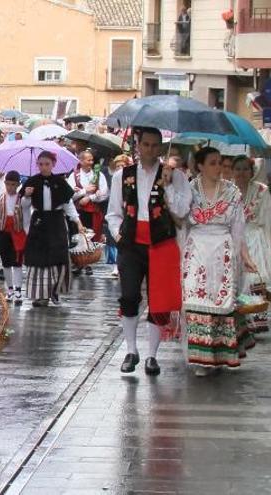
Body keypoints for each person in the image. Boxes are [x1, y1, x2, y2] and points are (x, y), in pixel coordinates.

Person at [106, 127, 191, 376]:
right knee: (129, 296)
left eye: (155, 146)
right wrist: (118, 233)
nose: (150, 150)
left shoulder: (175, 176)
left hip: (162, 243)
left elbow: (183, 210)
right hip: (131, 243)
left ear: (162, 148)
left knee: (160, 302)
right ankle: (131, 350)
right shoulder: (122, 175)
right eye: (146, 145)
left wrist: (168, 186)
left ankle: (152, 355)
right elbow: (113, 212)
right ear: (138, 145)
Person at [183, 147, 258, 376]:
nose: (219, 167)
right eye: (213, 163)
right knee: (196, 297)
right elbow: (180, 220)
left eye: (220, 163)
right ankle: (200, 357)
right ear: (200, 166)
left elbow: (238, 227)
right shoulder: (188, 190)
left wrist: (243, 256)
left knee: (221, 299)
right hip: (197, 247)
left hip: (222, 249)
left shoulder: (231, 192)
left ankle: (221, 352)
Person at [20, 151, 85, 307]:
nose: (43, 167)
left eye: (47, 164)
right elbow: (24, 206)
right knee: (39, 258)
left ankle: (54, 291)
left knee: (57, 257)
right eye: (40, 164)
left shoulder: (60, 182)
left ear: (53, 164)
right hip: (39, 222)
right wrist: (27, 196)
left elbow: (68, 204)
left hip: (56, 222)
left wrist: (77, 221)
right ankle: (40, 295)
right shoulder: (32, 182)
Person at [232, 157, 271, 339]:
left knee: (255, 278)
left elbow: (269, 219)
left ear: (251, 171)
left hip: (256, 238)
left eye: (245, 169)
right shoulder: (227, 190)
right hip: (235, 239)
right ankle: (240, 320)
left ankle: (256, 319)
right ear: (232, 171)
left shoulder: (262, 190)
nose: (241, 172)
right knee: (237, 281)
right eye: (237, 168)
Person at [0, 170, 31, 304]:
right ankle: (10, 290)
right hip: (3, 233)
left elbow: (27, 215)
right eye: (8, 184)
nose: (10, 187)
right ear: (5, 184)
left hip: (18, 233)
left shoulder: (22, 199)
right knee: (6, 263)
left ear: (18, 184)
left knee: (17, 263)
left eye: (13, 185)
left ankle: (18, 290)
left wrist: (28, 234)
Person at [71, 150, 110, 273]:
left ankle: (88, 263)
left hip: (92, 211)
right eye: (88, 160)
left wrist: (90, 197)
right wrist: (83, 192)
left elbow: (104, 193)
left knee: (91, 236)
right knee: (77, 237)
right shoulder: (74, 175)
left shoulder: (98, 175)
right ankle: (77, 262)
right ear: (81, 161)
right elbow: (69, 195)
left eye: (92, 160)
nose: (91, 162)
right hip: (78, 210)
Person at [103, 154, 129, 277]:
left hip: (129, 212)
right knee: (115, 238)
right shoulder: (115, 178)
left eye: (122, 165)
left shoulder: (131, 178)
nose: (120, 168)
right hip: (117, 211)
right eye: (118, 166)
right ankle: (115, 265)